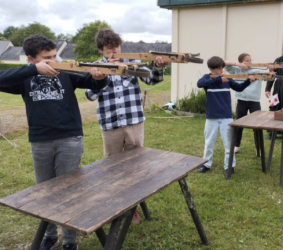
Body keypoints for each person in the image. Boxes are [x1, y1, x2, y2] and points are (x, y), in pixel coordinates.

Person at [0, 35, 109, 250]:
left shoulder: (64, 71)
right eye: (47, 58)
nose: (54, 60)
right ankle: (49, 236)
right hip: (40, 140)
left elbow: (93, 82)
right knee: (45, 192)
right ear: (31, 59)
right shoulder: (25, 76)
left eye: (54, 55)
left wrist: (99, 77)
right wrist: (34, 70)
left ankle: (70, 241)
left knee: (68, 192)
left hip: (70, 137)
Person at [85, 28, 168, 224]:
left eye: (116, 48)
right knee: (112, 168)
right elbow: (89, 95)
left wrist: (159, 66)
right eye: (109, 50)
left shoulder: (134, 63)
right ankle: (117, 208)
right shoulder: (95, 67)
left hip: (134, 123)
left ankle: (133, 209)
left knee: (136, 168)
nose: (114, 53)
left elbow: (153, 79)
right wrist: (100, 79)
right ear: (101, 50)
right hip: (111, 125)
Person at [197, 56, 255, 177]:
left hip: (226, 117)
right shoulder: (208, 78)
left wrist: (248, 81)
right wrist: (217, 80)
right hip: (211, 117)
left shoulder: (227, 79)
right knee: (209, 143)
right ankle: (206, 164)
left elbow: (239, 88)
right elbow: (199, 84)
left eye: (222, 68)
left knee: (228, 144)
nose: (221, 71)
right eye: (218, 69)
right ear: (211, 69)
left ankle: (229, 166)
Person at [225, 53, 266, 154]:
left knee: (257, 125)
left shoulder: (257, 70)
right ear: (241, 62)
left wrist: (272, 69)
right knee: (239, 124)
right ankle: (236, 146)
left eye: (250, 60)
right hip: (241, 100)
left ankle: (259, 148)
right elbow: (223, 63)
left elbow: (268, 76)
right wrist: (237, 65)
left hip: (254, 101)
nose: (249, 62)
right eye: (247, 60)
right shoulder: (236, 69)